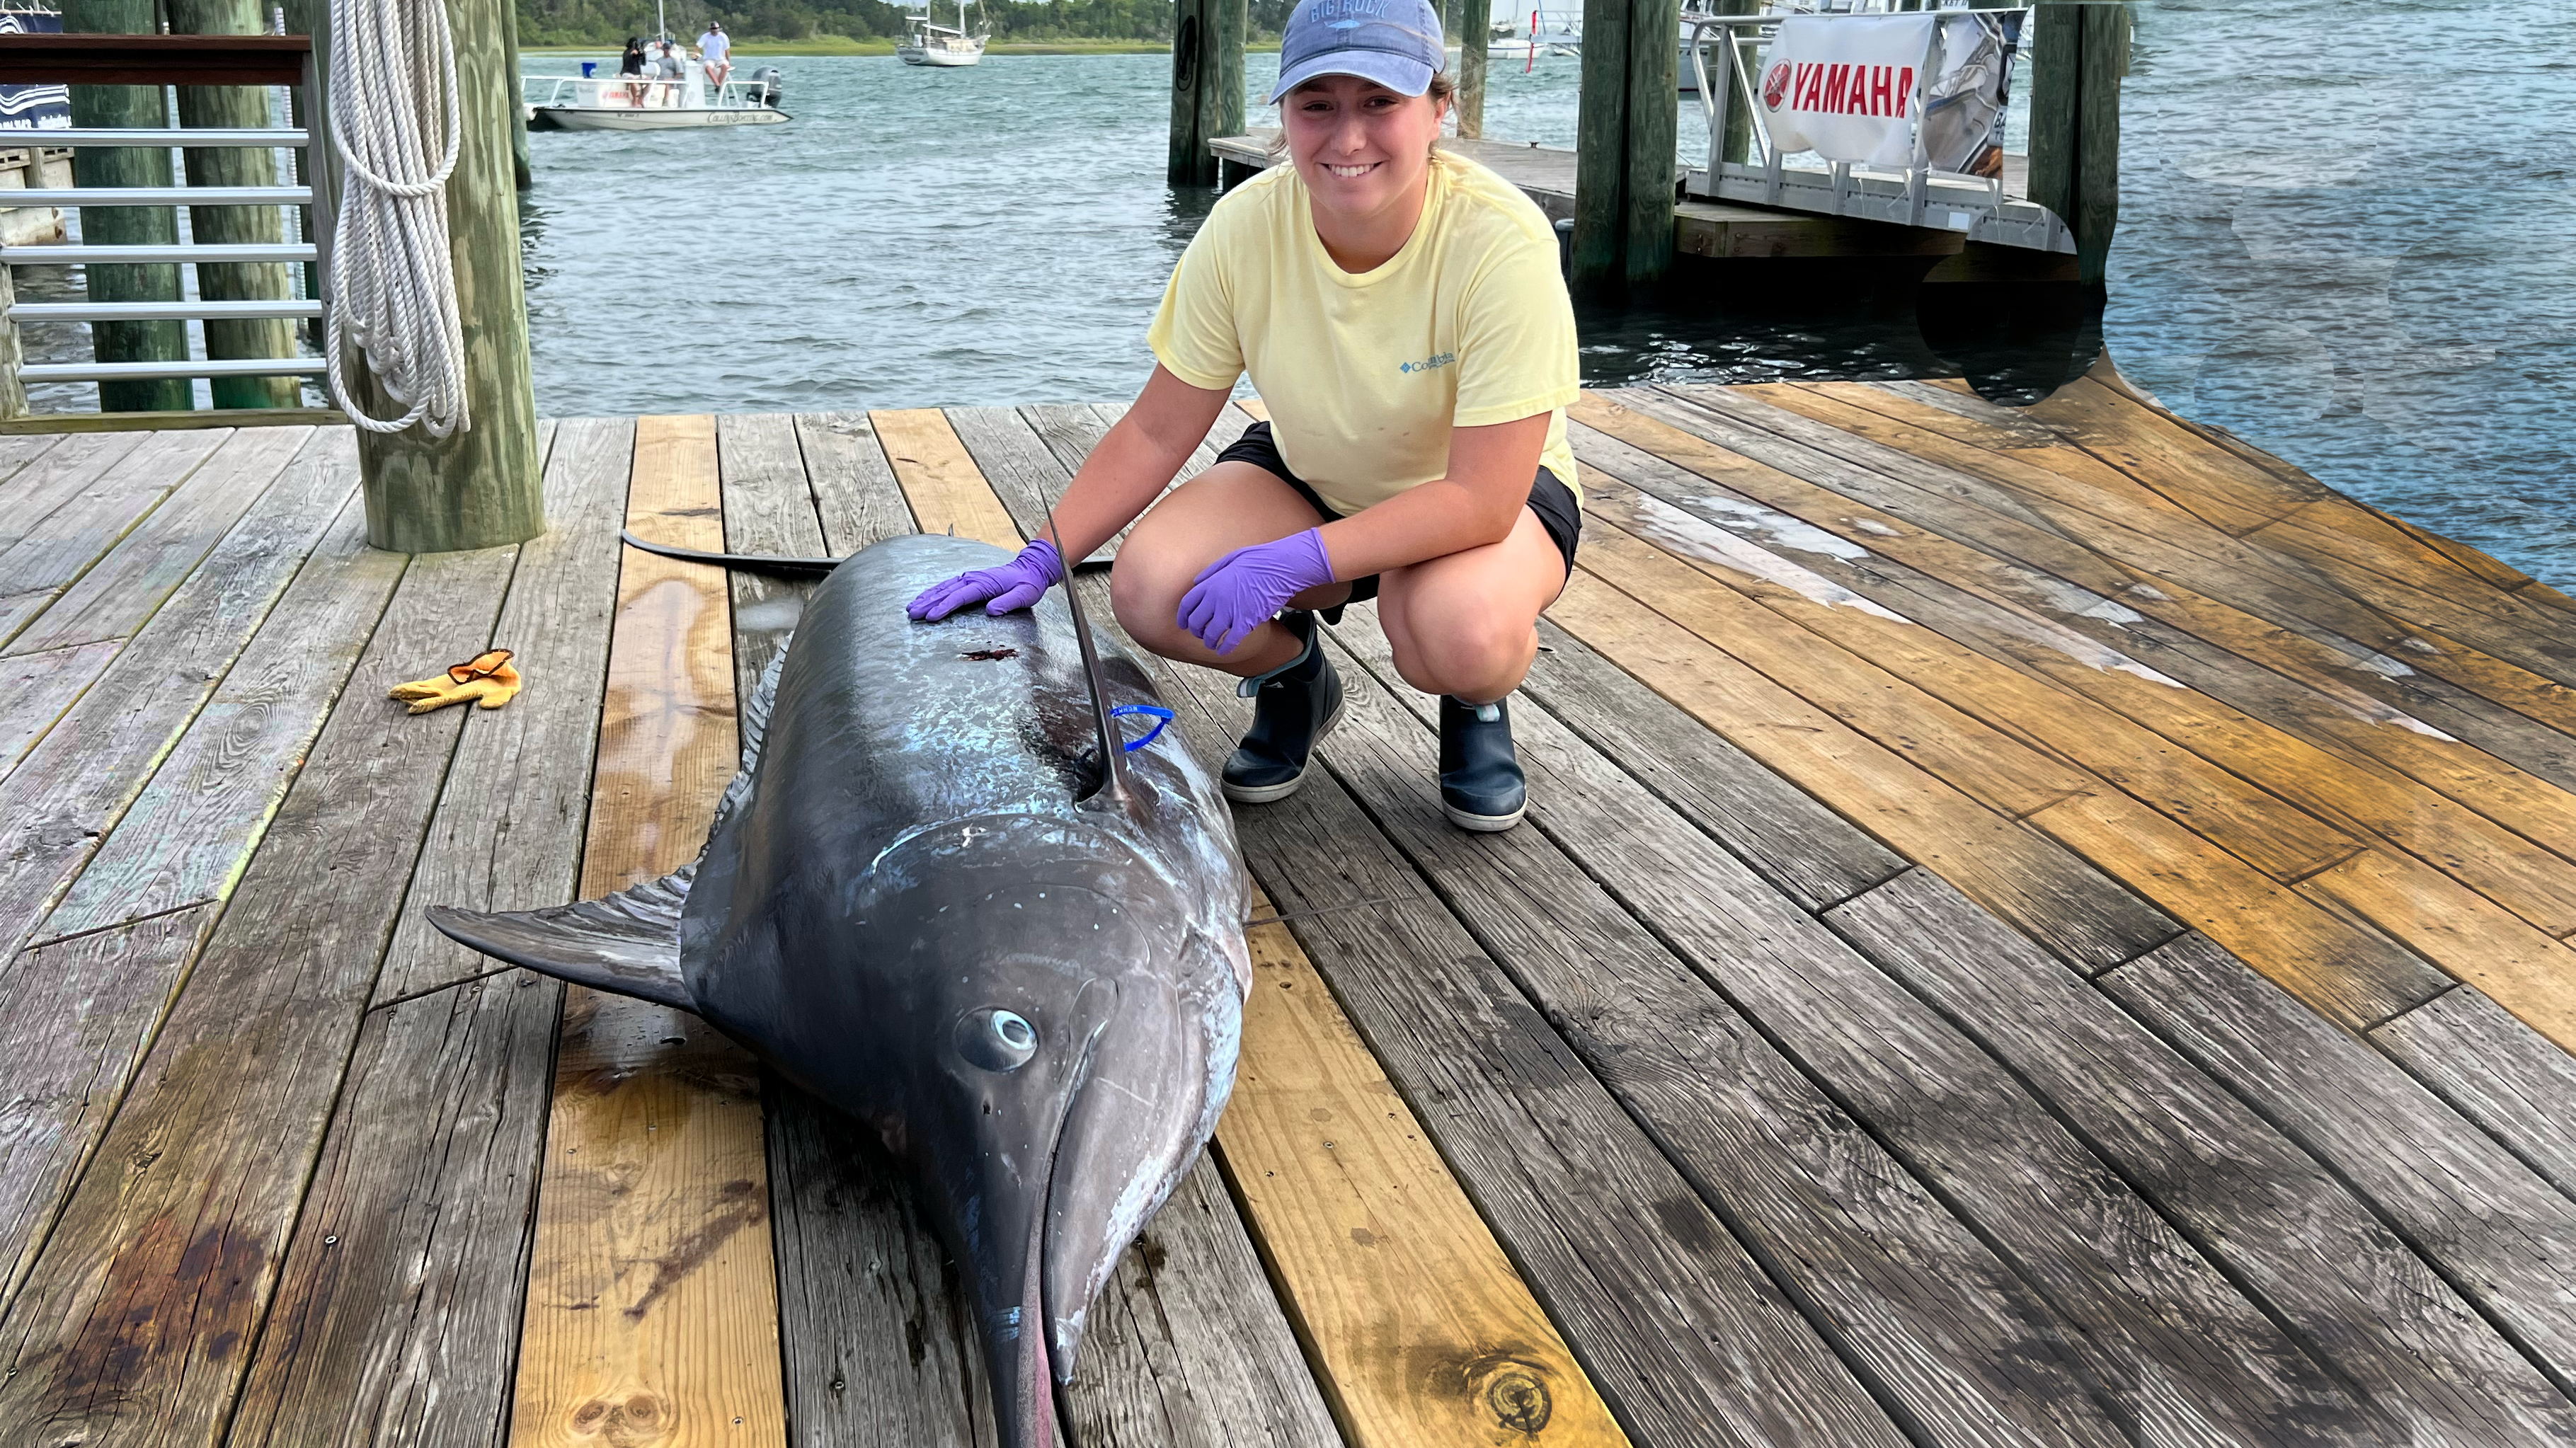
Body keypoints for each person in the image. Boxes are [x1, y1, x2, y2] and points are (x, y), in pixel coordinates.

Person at [906, 0, 1579, 834]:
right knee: (1151, 589)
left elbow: (1482, 499)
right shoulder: (1244, 227)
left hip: (1479, 500)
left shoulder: (1500, 240)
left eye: (1380, 102)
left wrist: (1289, 563)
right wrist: (1045, 554)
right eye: (1317, 105)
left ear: (1439, 110)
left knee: (1453, 630)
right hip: (1316, 471)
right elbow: (1158, 427)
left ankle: (1476, 706)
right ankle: (1297, 675)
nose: (1347, 138)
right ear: (1284, 116)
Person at [697, 20, 733, 91]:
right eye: (713, 29)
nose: (715, 30)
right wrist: (695, 54)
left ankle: (718, 85)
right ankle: (717, 84)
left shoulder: (723, 37)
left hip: (721, 59)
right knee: (708, 68)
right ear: (710, 29)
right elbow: (698, 46)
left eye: (716, 28)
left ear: (719, 29)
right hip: (709, 59)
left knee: (725, 67)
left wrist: (729, 62)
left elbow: (727, 50)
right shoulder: (705, 37)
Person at [618, 36, 647, 106]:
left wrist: (643, 54)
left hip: (637, 73)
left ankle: (641, 98)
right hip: (627, 73)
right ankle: (635, 100)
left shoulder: (638, 52)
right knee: (632, 80)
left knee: (650, 81)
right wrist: (632, 53)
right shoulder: (627, 52)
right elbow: (627, 59)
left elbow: (644, 63)